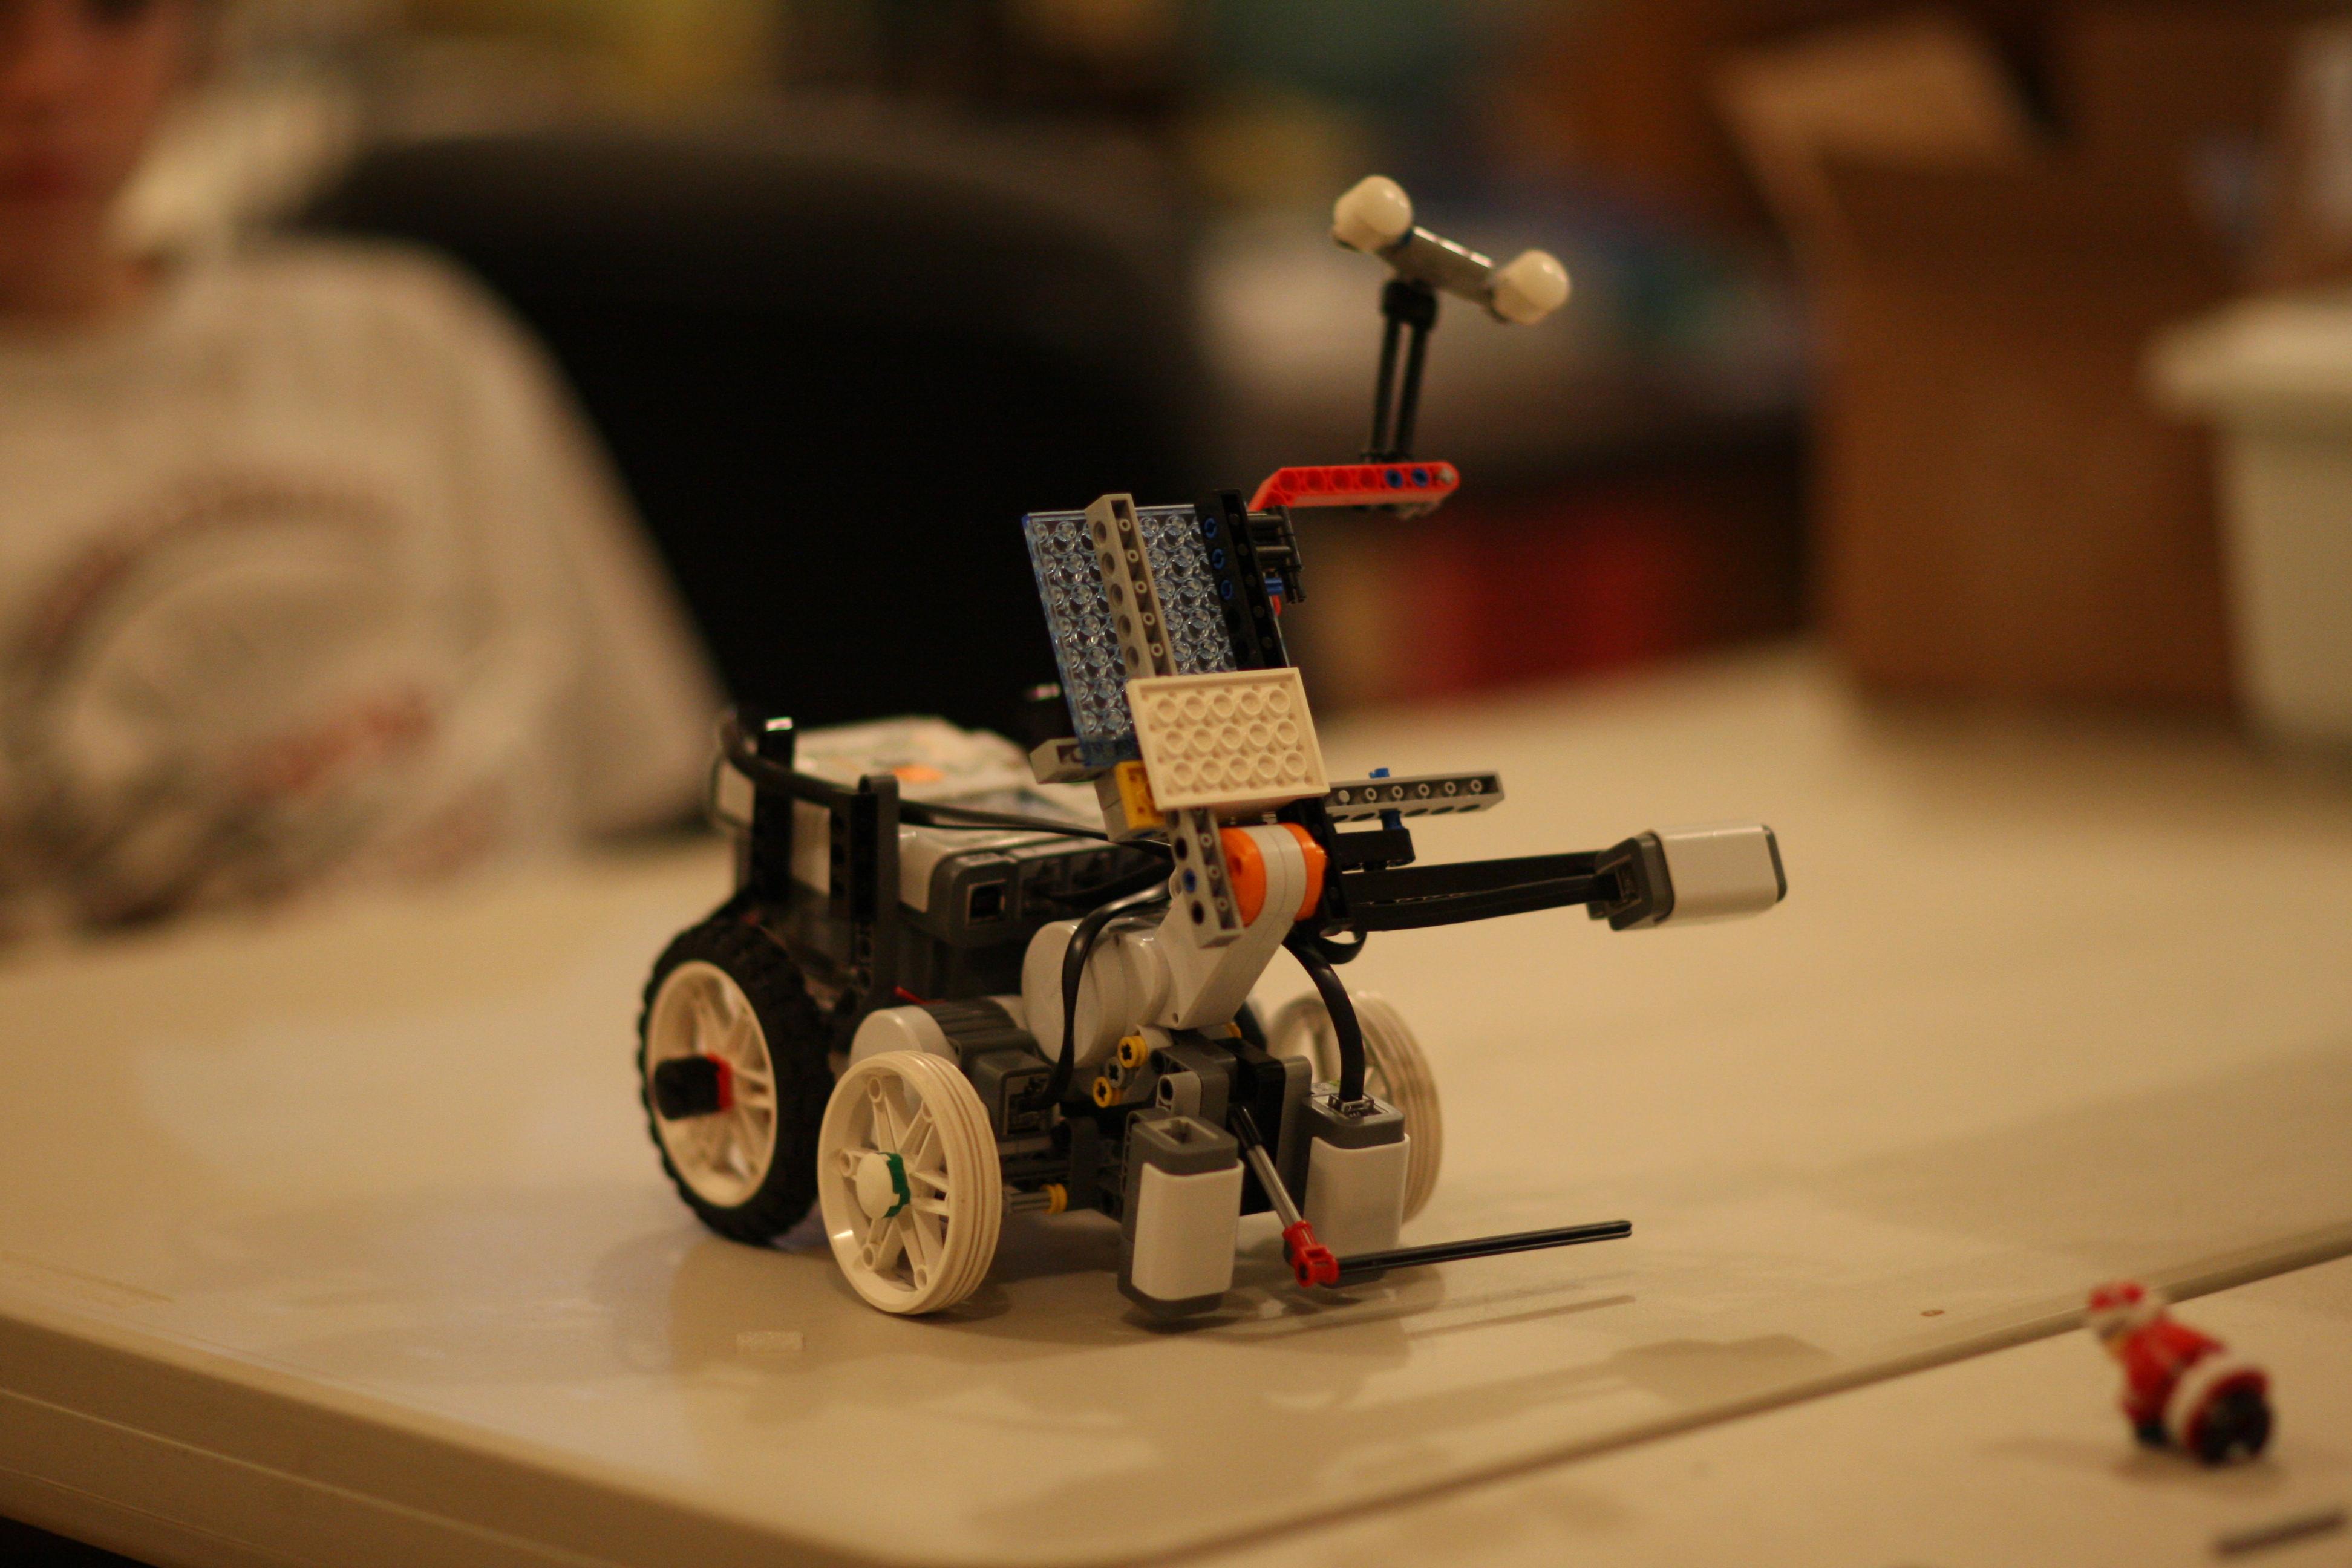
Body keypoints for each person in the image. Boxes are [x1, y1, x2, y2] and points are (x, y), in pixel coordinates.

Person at [0, 0, 722, 938]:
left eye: (115, 11)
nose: (44, 83)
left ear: (197, 43)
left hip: (512, 989)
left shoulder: (407, 341)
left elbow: (644, 800)